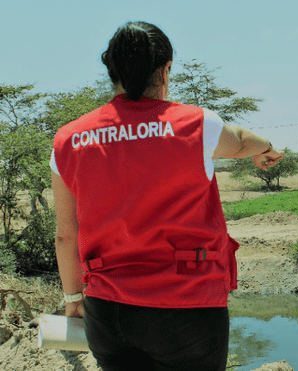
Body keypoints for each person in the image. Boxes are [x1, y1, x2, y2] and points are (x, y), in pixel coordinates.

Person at [51, 21, 284, 371]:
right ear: (165, 71)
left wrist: (72, 300)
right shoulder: (195, 124)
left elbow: (66, 234)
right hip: (187, 310)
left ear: (111, 71)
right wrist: (265, 147)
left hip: (107, 312)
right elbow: (238, 139)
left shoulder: (68, 140)